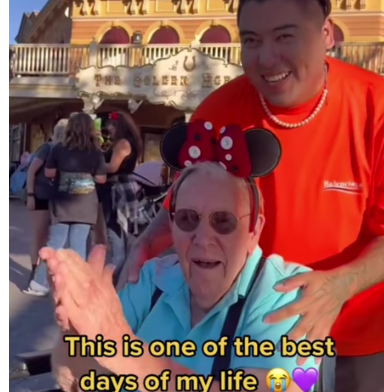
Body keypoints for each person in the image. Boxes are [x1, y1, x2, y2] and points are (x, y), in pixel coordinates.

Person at [119, 0, 384, 389]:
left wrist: (341, 285)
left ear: (327, 33)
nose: (266, 58)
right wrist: (144, 245)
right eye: (251, 40)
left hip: (359, 336)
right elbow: (186, 204)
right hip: (248, 329)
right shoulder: (218, 110)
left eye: (285, 36)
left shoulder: (375, 108)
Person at [49, 123, 320, 392]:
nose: (203, 239)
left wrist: (127, 356)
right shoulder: (152, 280)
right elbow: (73, 377)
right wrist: (76, 332)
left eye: (223, 221)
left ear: (254, 230)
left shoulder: (289, 294)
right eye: (188, 219)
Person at [25, 113, 106, 296]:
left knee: (54, 243)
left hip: (62, 202)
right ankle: (76, 288)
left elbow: (49, 173)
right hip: (86, 205)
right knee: (78, 247)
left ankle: (39, 284)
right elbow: (101, 179)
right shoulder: (96, 152)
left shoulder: (58, 149)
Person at [23, 119, 66, 296]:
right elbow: (32, 170)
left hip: (55, 198)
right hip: (40, 196)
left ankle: (43, 275)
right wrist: (30, 195)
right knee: (40, 235)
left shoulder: (64, 151)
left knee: (52, 237)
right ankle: (35, 271)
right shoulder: (47, 148)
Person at [100, 111, 144, 276]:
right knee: (121, 237)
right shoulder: (130, 142)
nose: (108, 129)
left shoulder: (122, 144)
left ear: (118, 126)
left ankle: (113, 282)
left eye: (111, 125)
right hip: (124, 188)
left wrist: (93, 164)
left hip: (116, 190)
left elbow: (112, 167)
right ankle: (121, 278)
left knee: (116, 236)